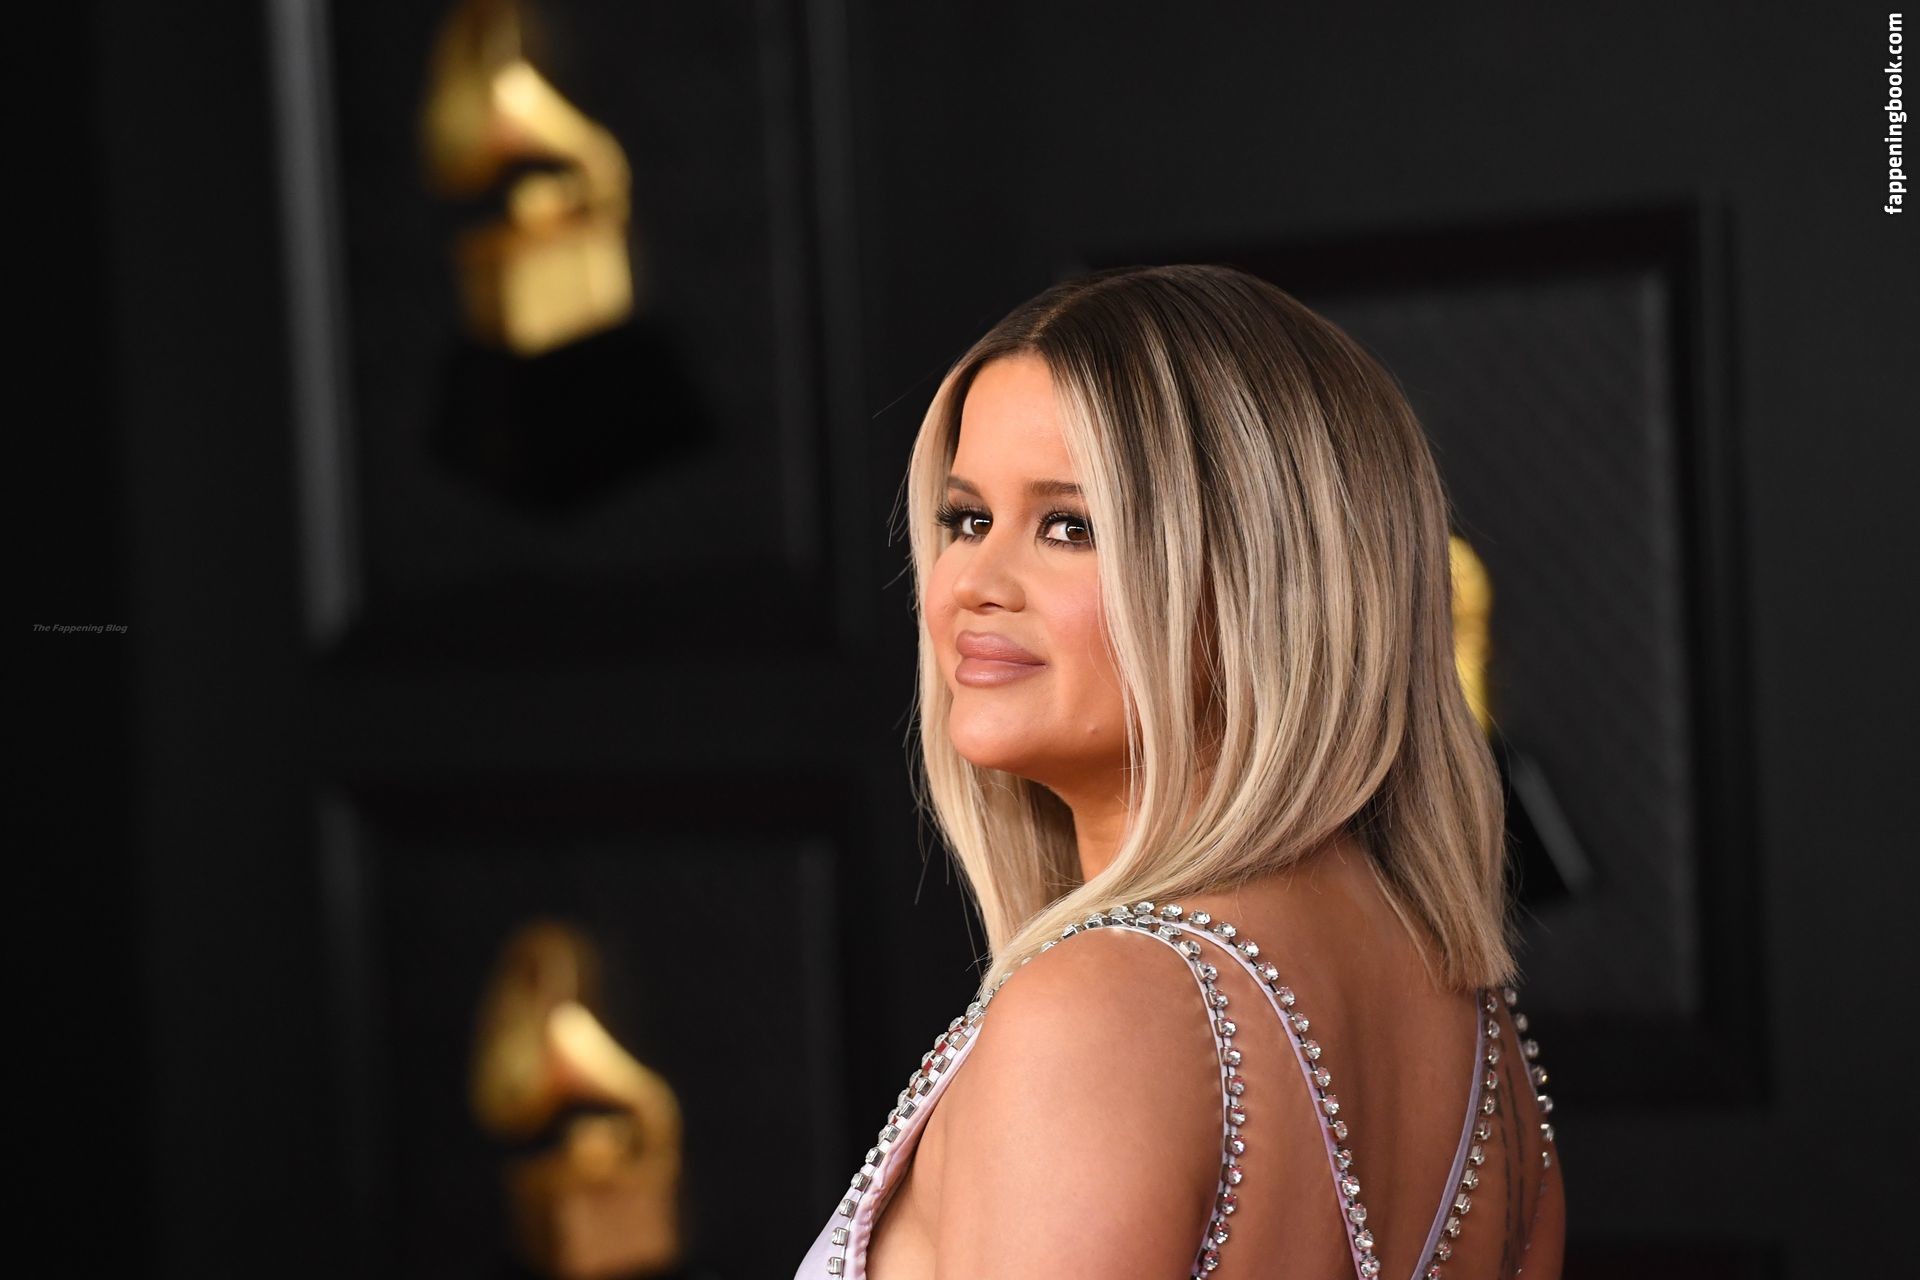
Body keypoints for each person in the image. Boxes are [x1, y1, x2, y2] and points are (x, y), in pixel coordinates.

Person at [794, 264, 1567, 1279]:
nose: (972, 583)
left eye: (1069, 526)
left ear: (1260, 581)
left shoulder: (1093, 1016)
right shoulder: (1479, 1041)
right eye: (966, 519)